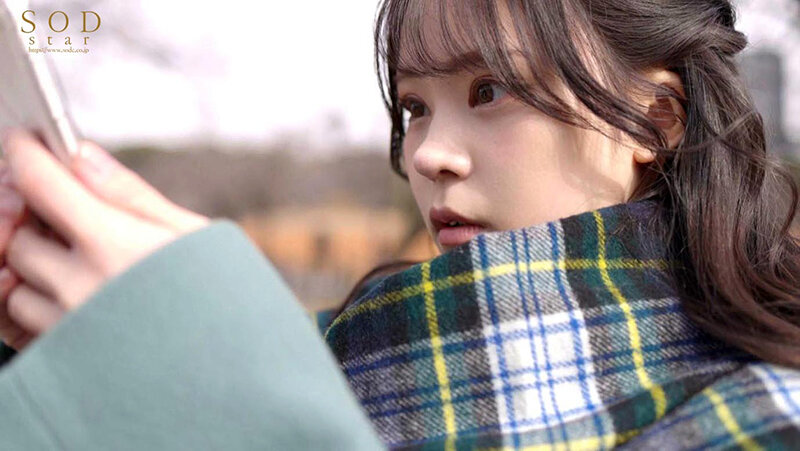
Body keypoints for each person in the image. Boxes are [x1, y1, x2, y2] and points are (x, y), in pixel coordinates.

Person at [1, 0, 800, 449]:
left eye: (489, 91)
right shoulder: (340, 350)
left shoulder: (763, 414)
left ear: (654, 119)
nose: (427, 154)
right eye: (415, 106)